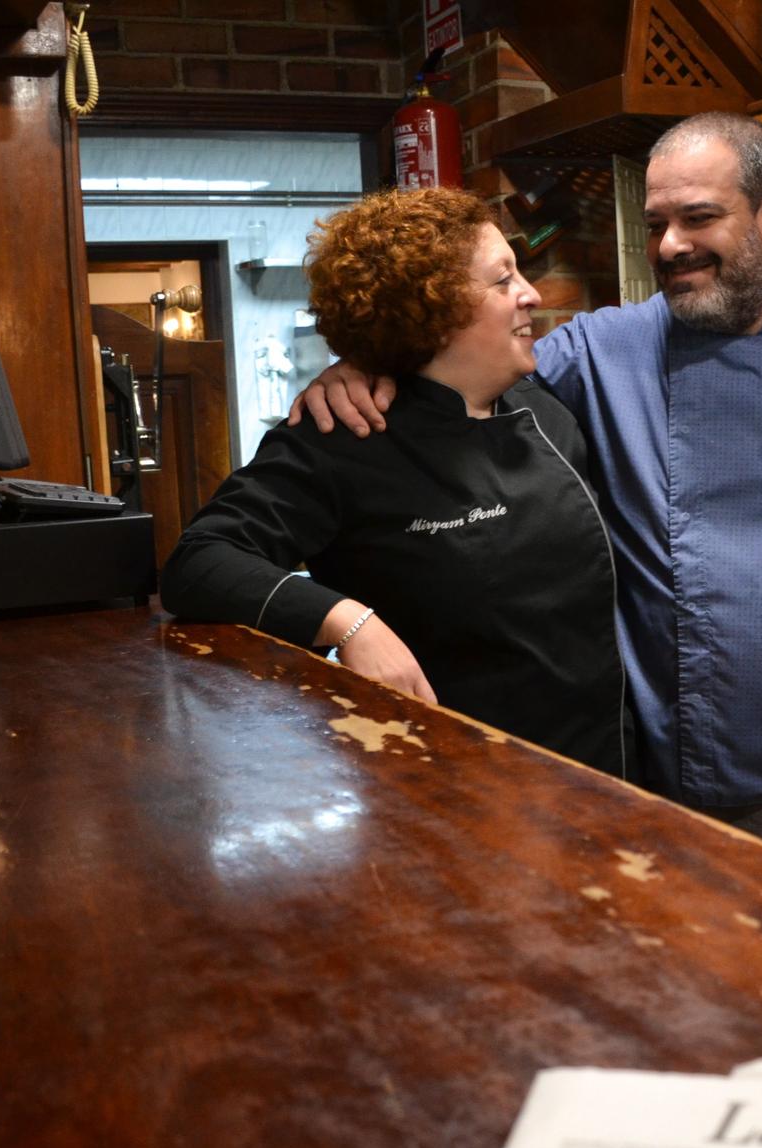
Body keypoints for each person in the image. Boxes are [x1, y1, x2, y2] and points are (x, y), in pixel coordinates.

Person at [295, 114, 762, 902]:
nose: (669, 246)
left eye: (698, 219)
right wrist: (364, 363)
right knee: (701, 1021)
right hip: (680, 796)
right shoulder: (602, 351)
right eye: (658, 223)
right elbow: (460, 373)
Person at [160, 188, 625, 776]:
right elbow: (200, 561)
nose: (531, 295)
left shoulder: (545, 408)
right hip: (451, 781)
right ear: (434, 309)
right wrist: (349, 622)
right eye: (503, 280)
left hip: (605, 766)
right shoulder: (344, 434)